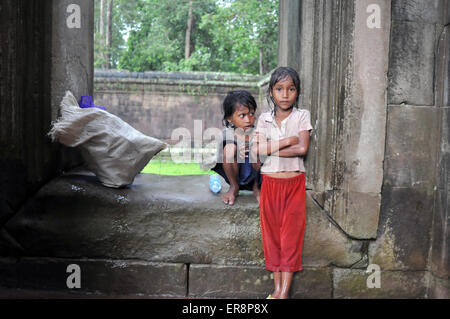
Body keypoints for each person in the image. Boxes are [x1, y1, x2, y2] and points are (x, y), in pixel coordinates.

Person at [252, 67, 313, 299]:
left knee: (290, 238)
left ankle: (284, 293)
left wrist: (271, 149)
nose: (285, 94)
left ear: (297, 92)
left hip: (293, 183)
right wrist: (287, 140)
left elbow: (303, 148)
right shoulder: (264, 119)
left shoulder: (301, 116)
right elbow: (257, 150)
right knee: (272, 238)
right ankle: (276, 290)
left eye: (291, 89)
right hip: (270, 183)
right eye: (279, 89)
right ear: (271, 92)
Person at [211, 90, 262, 205]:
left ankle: (257, 188)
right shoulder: (226, 134)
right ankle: (234, 188)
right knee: (229, 149)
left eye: (251, 114)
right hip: (236, 174)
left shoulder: (259, 132)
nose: (248, 120)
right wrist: (238, 151)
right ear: (229, 118)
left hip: (257, 176)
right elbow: (220, 158)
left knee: (259, 147)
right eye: (242, 115)